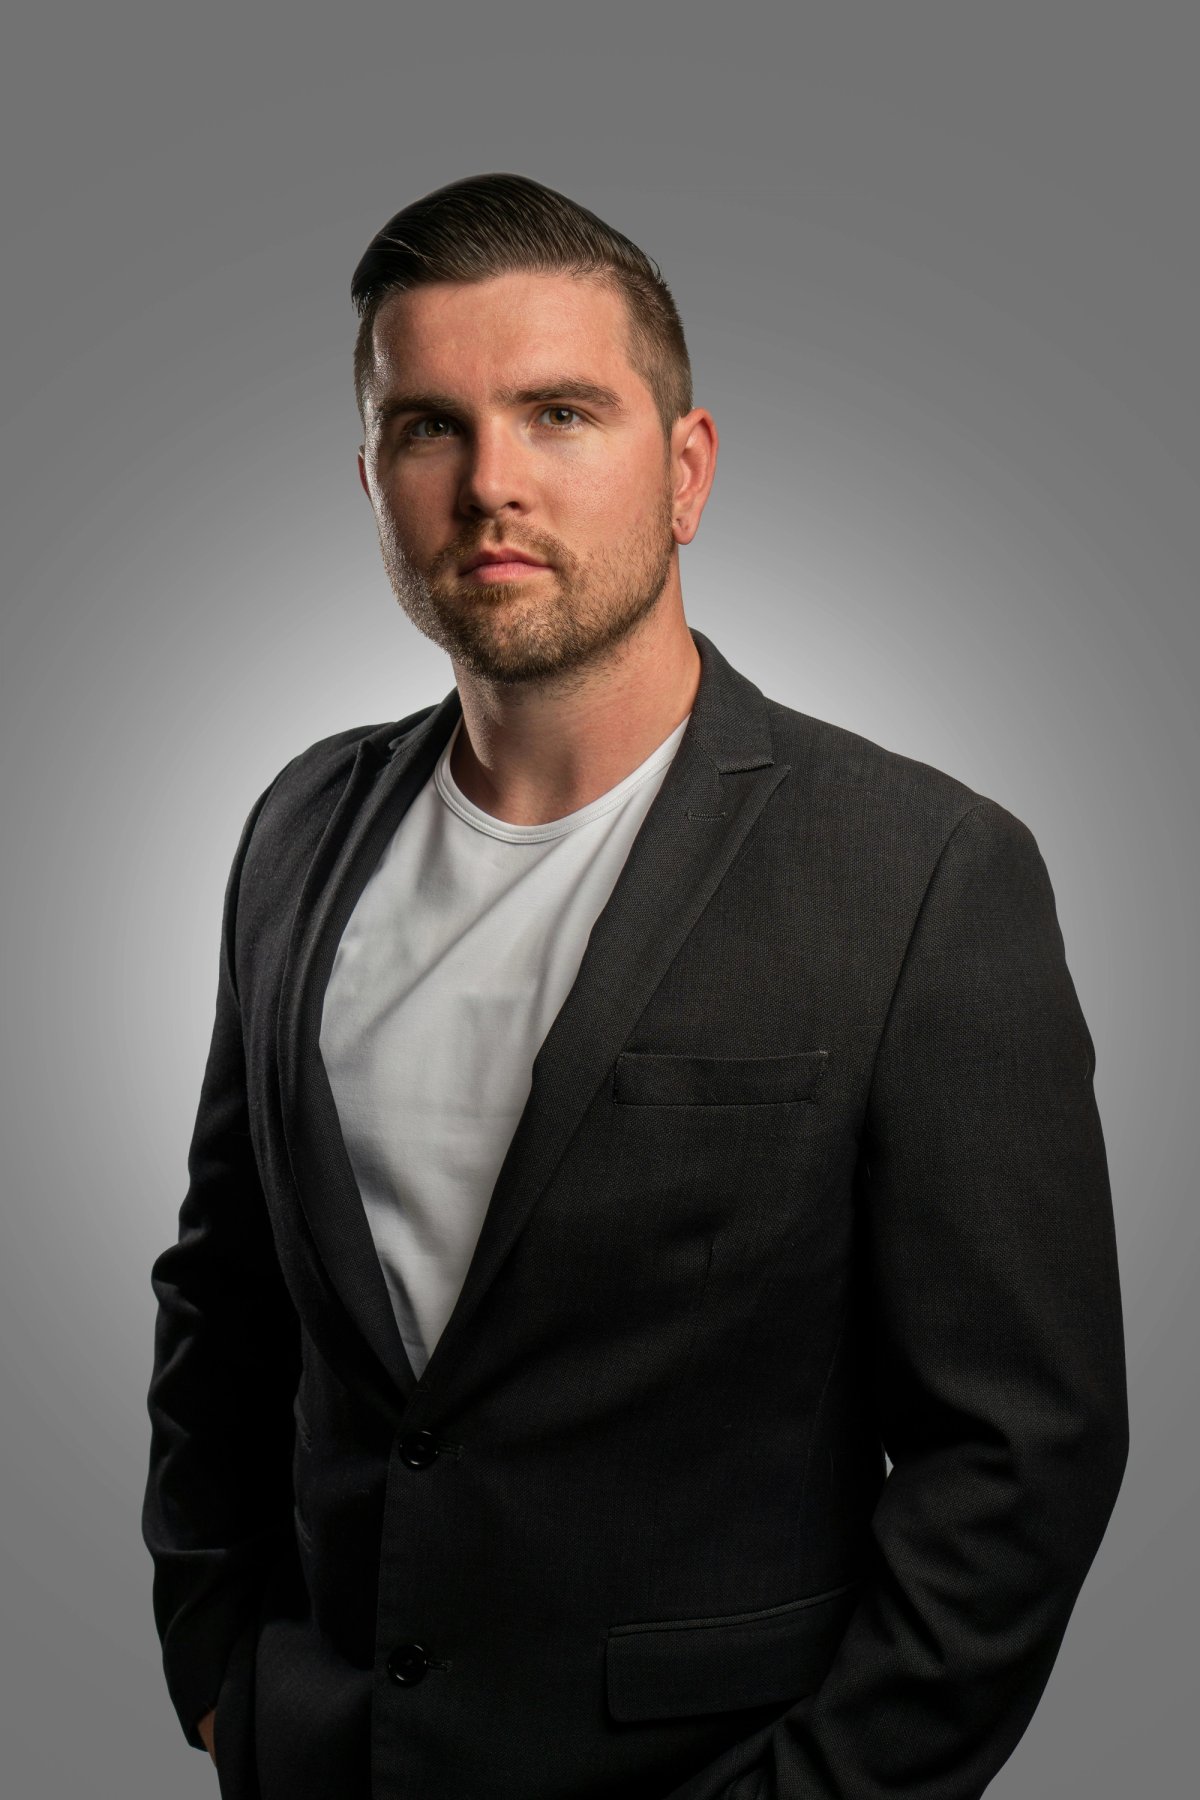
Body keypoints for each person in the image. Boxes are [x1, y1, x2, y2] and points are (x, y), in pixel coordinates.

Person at [142, 172, 1129, 1800]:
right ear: (374, 477)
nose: (490, 486)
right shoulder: (297, 825)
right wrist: (219, 1666)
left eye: (560, 413)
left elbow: (1018, 1460)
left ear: (686, 471)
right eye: (428, 428)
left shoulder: (926, 870)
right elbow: (223, 1287)